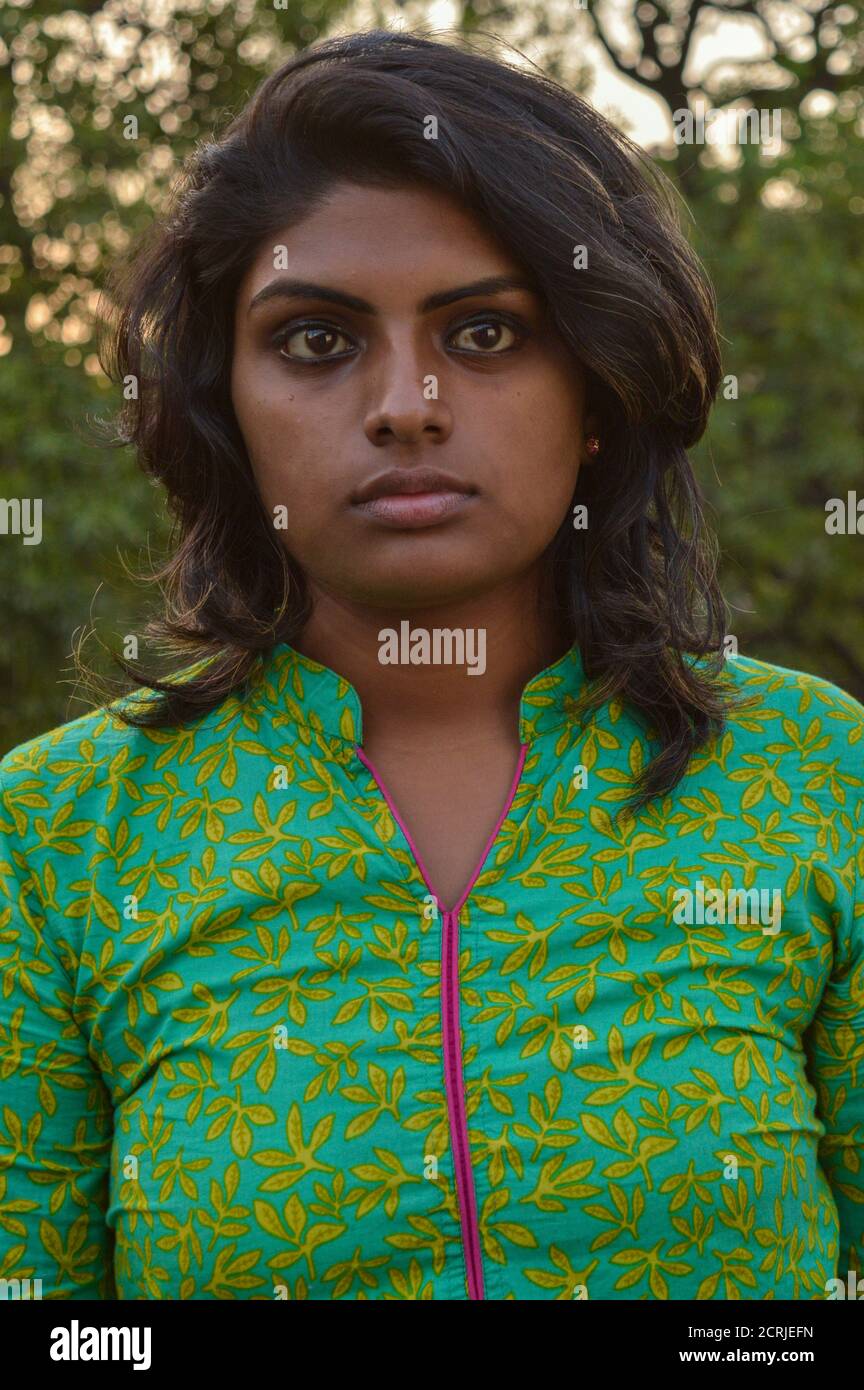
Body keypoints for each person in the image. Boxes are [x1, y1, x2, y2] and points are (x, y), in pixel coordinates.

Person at [1, 27, 861, 1302]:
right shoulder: (56, 839)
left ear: (598, 389)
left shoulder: (816, 780)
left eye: (488, 334)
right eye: (314, 341)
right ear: (221, 405)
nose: (406, 402)